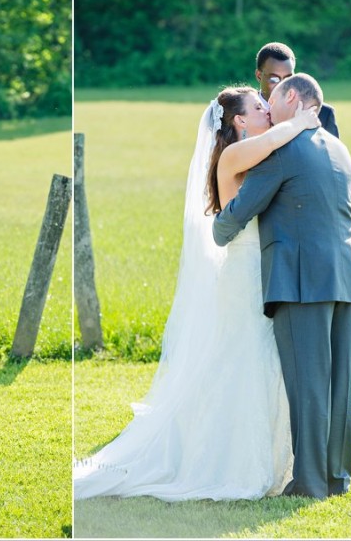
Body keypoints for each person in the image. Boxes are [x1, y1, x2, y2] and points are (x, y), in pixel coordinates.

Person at [73, 88, 320, 501]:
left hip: (261, 271)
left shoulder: (255, 152)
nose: (267, 110)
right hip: (245, 274)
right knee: (244, 361)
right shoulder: (235, 155)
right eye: (259, 107)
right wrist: (302, 120)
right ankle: (231, 463)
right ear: (240, 121)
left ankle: (268, 457)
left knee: (258, 361)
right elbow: (279, 140)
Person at [213, 73, 351, 498]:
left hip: (302, 280)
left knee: (308, 384)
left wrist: (217, 229)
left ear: (293, 98)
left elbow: (239, 211)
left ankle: (310, 482)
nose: (268, 108)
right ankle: (336, 478)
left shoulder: (282, 151)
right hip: (345, 276)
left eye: (273, 101)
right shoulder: (339, 148)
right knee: (339, 385)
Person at [255, 42, 339, 138]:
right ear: (259, 76)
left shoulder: (322, 112)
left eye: (287, 79)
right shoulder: (244, 112)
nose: (281, 85)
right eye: (274, 79)